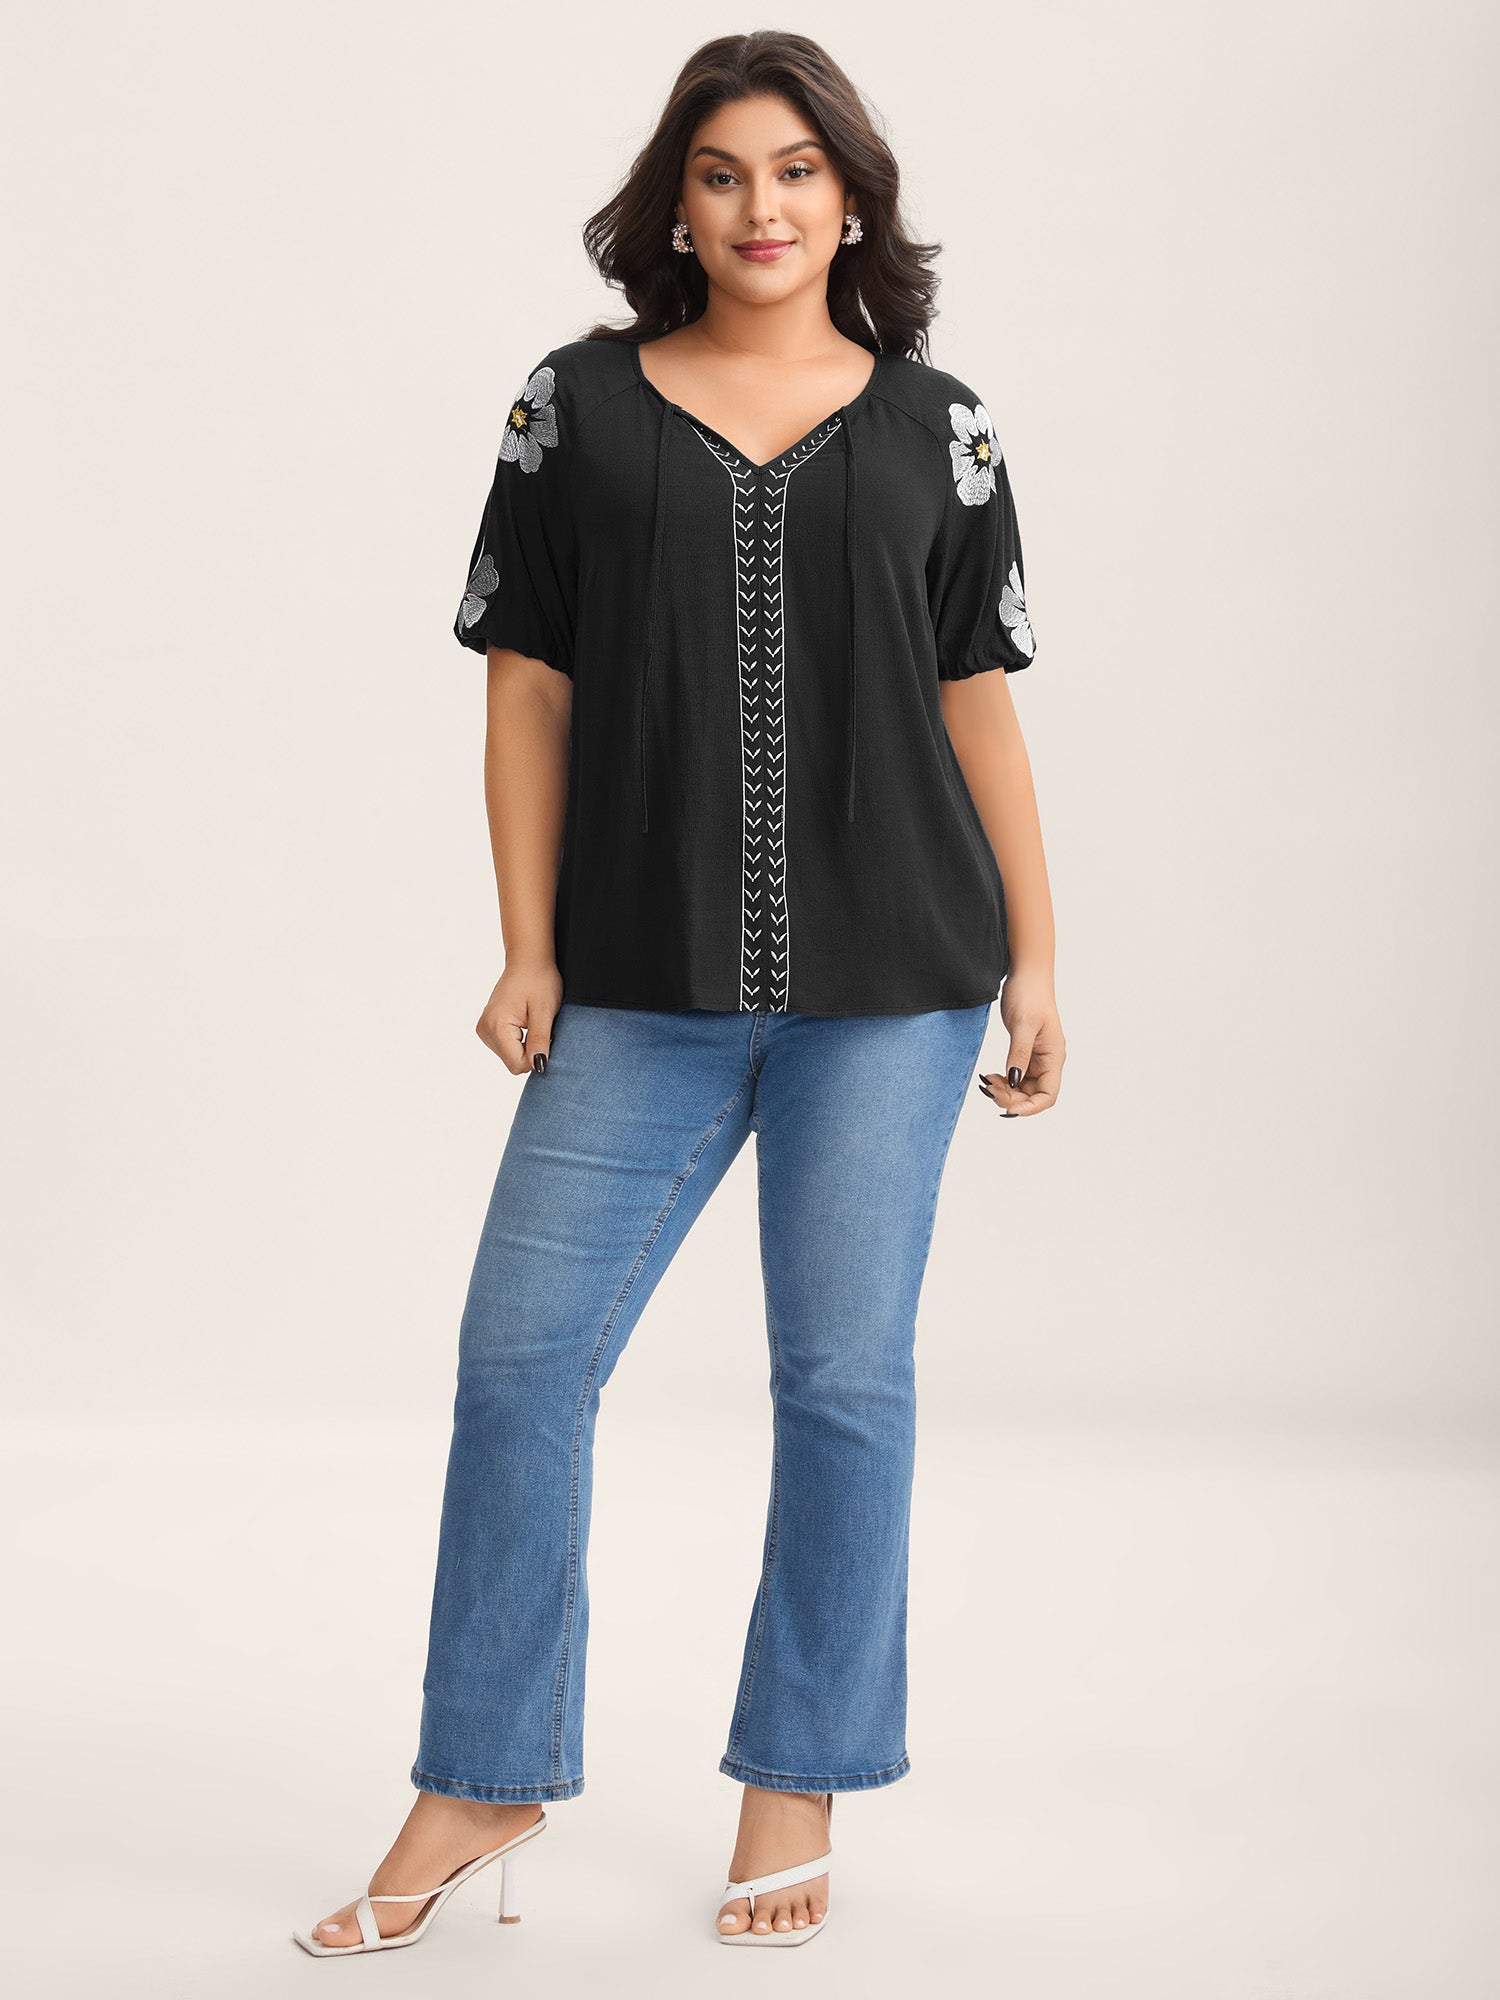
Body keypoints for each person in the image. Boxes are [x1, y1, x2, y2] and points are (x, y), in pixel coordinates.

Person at [293, 27, 1065, 1959]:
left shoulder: (942, 428)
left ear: (851, 200)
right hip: (635, 984)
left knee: (844, 1380)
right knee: (521, 1361)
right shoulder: (572, 408)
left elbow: (978, 698)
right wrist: (528, 941)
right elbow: (526, 685)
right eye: (722, 174)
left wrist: (1041, 958)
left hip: (898, 986)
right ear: (678, 204)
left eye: (797, 171)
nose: (761, 207)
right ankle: (484, 1773)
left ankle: (797, 1770)